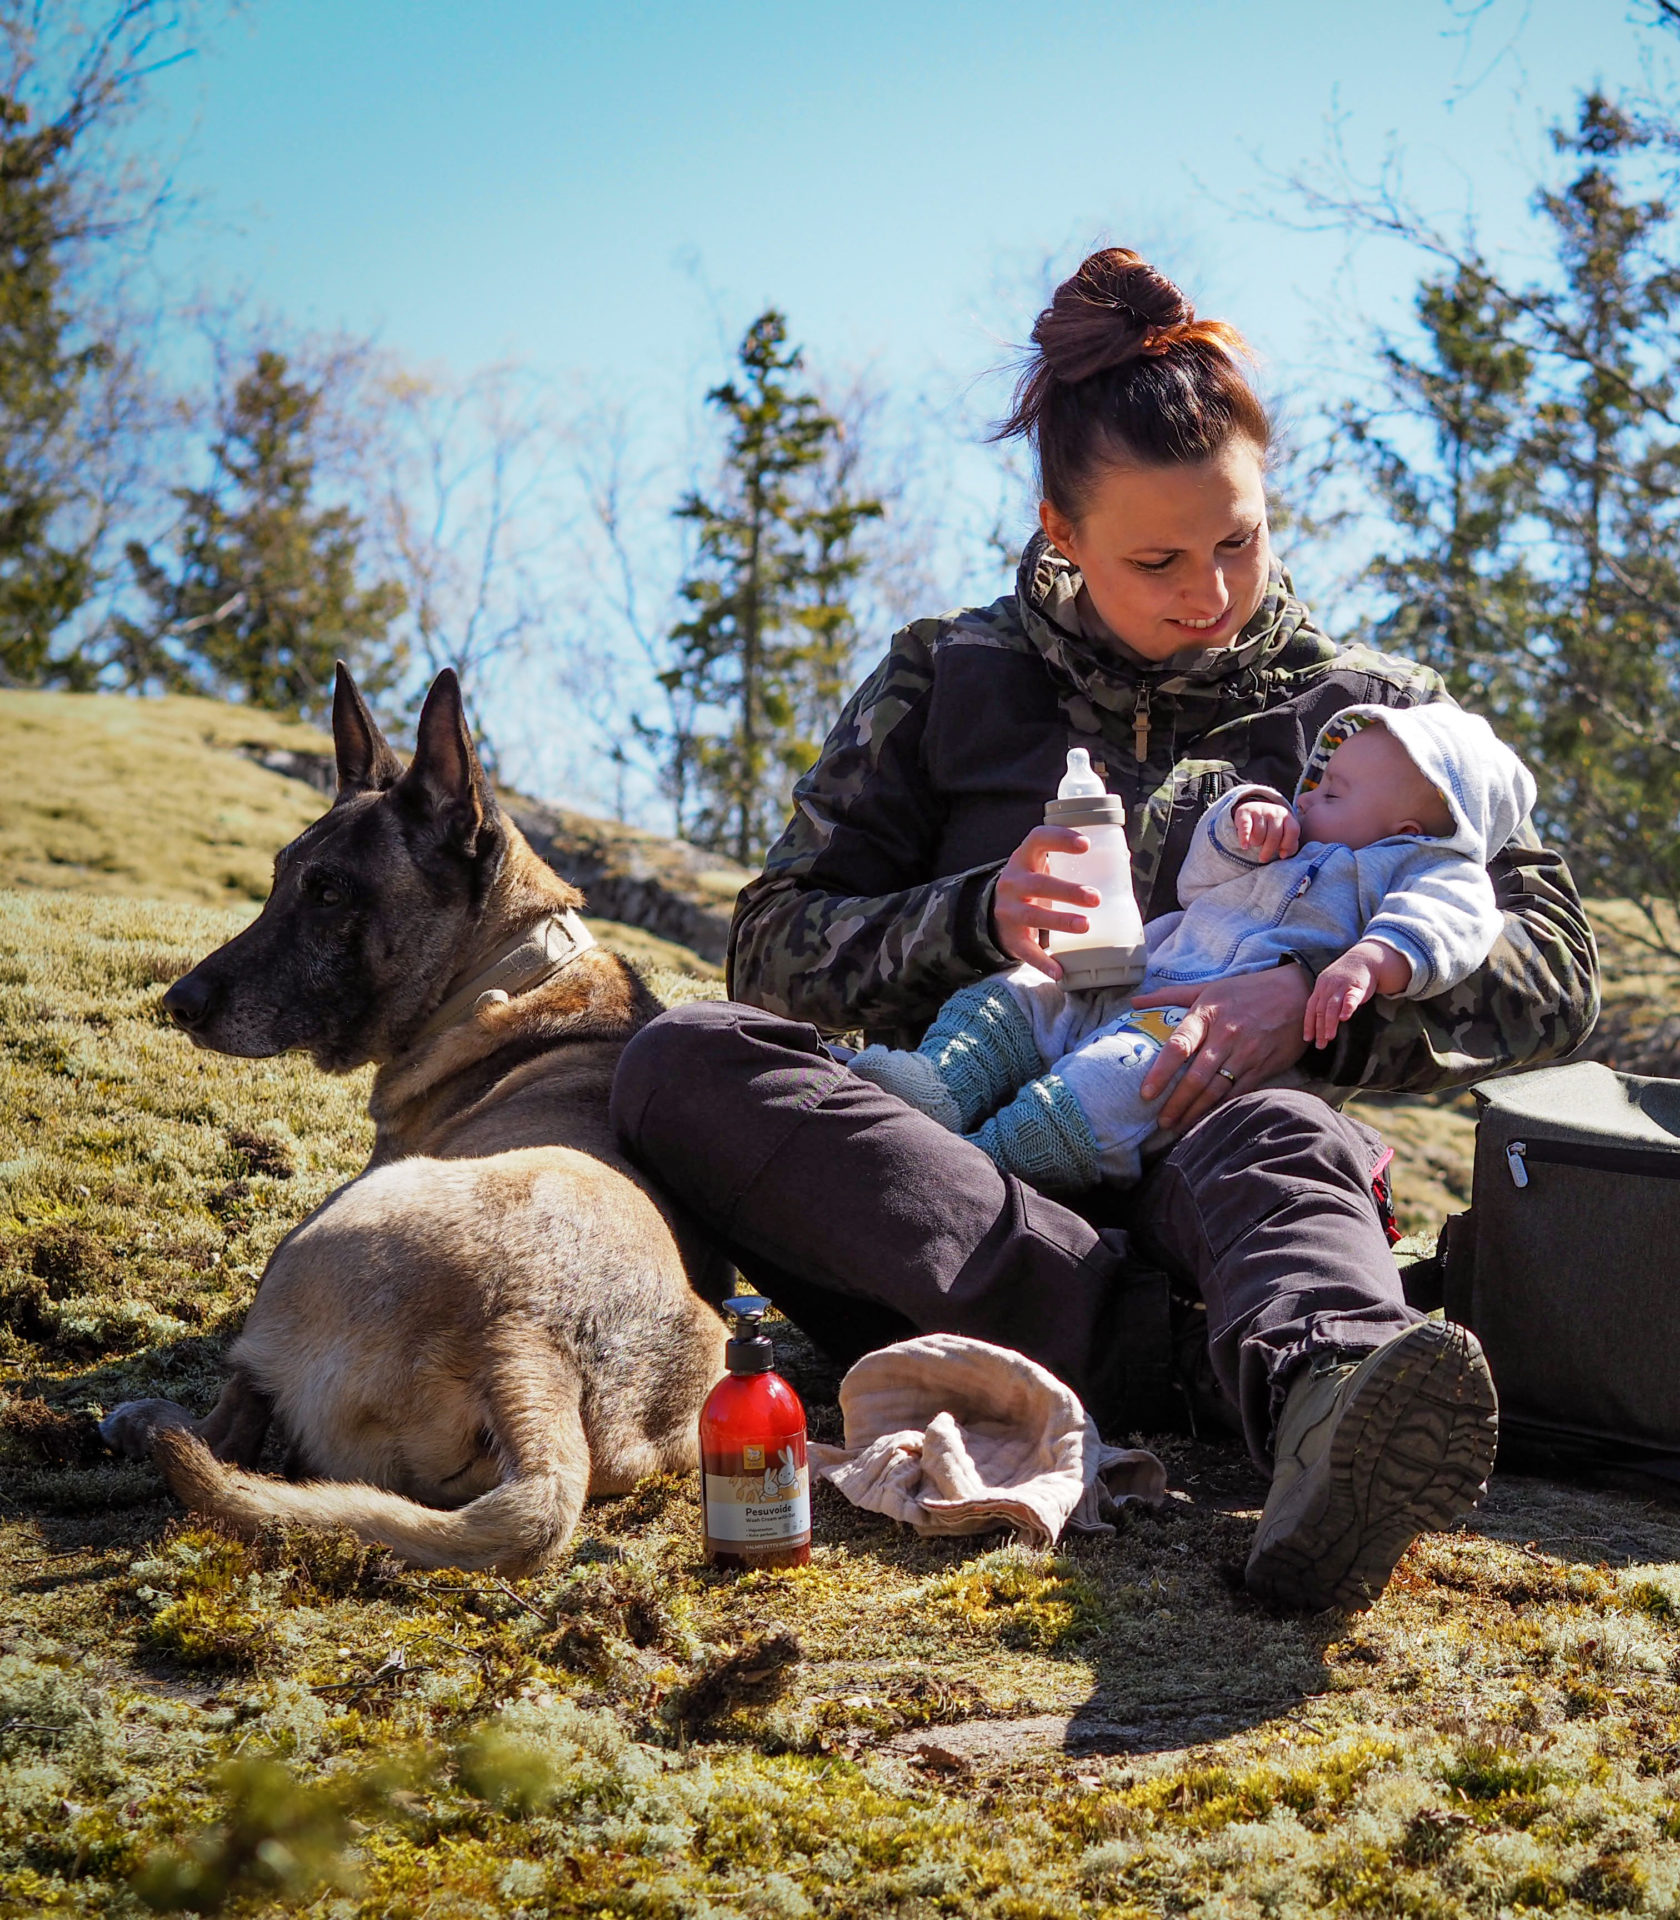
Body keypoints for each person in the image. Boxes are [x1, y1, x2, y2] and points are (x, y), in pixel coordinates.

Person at [610, 246, 1598, 1612]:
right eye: (1157, 558)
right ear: (1060, 532)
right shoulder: (947, 680)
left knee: (1287, 1134)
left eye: (1238, 540)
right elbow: (772, 943)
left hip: (1225, 1204)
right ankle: (1179, 1366)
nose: (1209, 591)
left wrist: (1316, 992)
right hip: (959, 1204)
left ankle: (1331, 1412)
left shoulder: (1379, 719)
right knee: (684, 1060)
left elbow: (1554, 967)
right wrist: (975, 915)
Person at [836, 699, 1537, 1192]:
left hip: (1197, 1031)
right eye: (1316, 781)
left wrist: (1373, 959)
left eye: (1336, 792)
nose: (1310, 796)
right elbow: (1202, 881)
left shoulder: (1422, 870)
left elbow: (1456, 921)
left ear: (1408, 830)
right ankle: (938, 1084)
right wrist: (1242, 824)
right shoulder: (1293, 841)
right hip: (1139, 972)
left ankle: (984, 1165)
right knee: (1024, 991)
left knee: (1121, 1080)